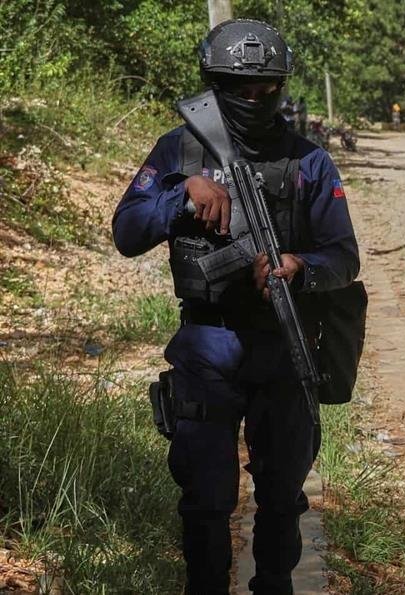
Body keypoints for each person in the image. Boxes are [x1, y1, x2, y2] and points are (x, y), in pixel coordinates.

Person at [111, 19, 359, 594]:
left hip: (282, 348)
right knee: (205, 498)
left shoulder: (309, 161)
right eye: (240, 89)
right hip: (208, 346)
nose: (254, 99)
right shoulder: (179, 148)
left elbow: (343, 256)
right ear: (213, 85)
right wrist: (181, 194)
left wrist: (299, 267)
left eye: (266, 89)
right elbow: (127, 232)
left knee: (282, 496)